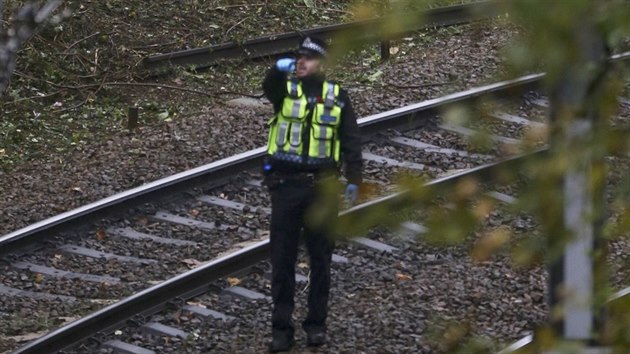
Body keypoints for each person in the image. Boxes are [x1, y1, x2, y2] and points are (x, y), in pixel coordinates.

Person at [262, 36, 362, 352]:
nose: (302, 62)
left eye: (309, 58)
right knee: (282, 261)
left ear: (323, 64)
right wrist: (277, 70)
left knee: (320, 260)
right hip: (286, 187)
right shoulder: (285, 93)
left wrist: (354, 180)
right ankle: (281, 329)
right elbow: (269, 88)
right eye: (298, 57)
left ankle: (316, 325)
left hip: (323, 189)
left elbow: (351, 144)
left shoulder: (338, 97)